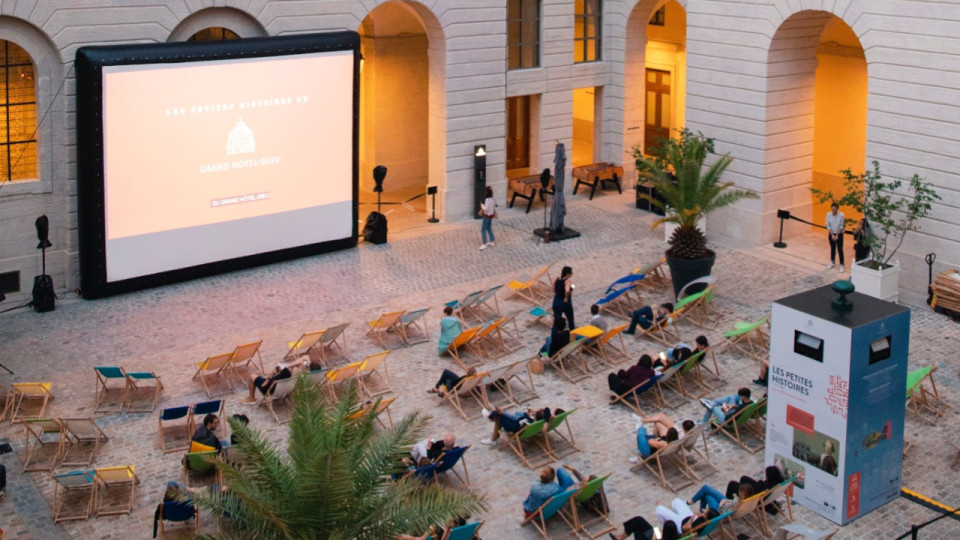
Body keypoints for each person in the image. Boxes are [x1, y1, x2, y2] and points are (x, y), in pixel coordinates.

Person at [481, 406, 558, 447]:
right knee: (505, 414)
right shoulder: (538, 422)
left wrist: (530, 415)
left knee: (500, 416)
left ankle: (492, 417)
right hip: (520, 423)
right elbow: (547, 412)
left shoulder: (532, 421)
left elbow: (515, 425)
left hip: (515, 428)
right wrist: (531, 415)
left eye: (538, 411)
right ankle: (494, 415)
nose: (537, 410)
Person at [689, 482, 755, 514]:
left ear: (743, 494)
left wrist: (721, 503)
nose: (738, 492)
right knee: (706, 489)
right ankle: (699, 508)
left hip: (719, 510)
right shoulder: (749, 500)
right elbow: (732, 504)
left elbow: (726, 511)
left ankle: (693, 504)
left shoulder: (740, 503)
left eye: (740, 491)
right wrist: (727, 501)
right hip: (727, 503)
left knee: (706, 494)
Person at [826, 202, 846, 272]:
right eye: (832, 209)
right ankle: (832, 261)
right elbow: (828, 225)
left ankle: (842, 264)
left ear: (837, 209)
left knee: (840, 249)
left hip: (839, 233)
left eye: (835, 210)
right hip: (832, 233)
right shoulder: (828, 215)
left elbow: (841, 225)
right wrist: (832, 234)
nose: (833, 211)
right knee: (832, 248)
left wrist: (837, 235)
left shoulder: (841, 215)